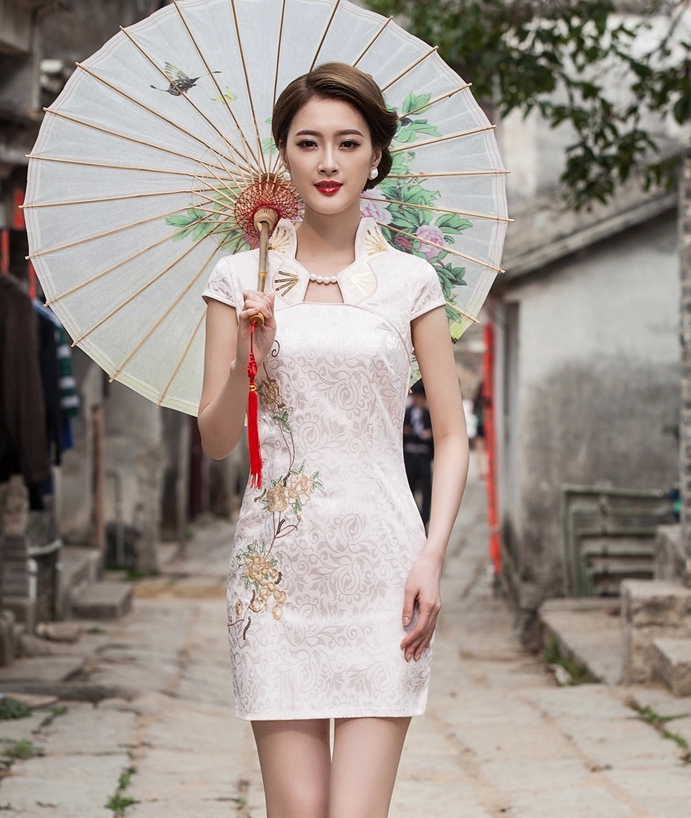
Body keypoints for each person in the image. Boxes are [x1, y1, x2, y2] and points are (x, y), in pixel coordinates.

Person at [198, 62, 468, 818]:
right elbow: (215, 439)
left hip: (384, 572)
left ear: (376, 154)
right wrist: (247, 360)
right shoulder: (237, 278)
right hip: (276, 579)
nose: (327, 161)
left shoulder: (412, 281)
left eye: (348, 142)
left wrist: (432, 555)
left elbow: (452, 436)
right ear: (283, 153)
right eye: (307, 142)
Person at [403, 380, 434, 526]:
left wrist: (430, 435)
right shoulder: (406, 414)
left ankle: (425, 518)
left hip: (423, 456)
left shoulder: (429, 416)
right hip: (409, 455)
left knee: (426, 489)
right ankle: (412, 518)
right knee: (410, 489)